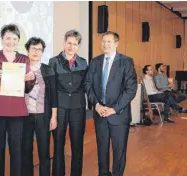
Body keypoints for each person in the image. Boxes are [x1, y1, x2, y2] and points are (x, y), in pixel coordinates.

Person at [0, 24, 36, 176]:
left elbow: (27, 89)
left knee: (17, 152)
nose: (11, 41)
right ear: (2, 39)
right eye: (8, 38)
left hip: (17, 112)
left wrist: (31, 79)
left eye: (14, 38)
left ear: (18, 40)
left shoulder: (24, 59)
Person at [85, 31, 137, 176]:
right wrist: (97, 105)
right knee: (102, 150)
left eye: (109, 42)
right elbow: (88, 85)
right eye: (103, 41)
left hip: (119, 115)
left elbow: (131, 89)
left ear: (116, 43)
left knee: (119, 151)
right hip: (100, 114)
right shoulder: (95, 62)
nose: (105, 44)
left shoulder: (126, 61)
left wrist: (114, 109)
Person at [48, 30, 88, 176]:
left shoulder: (83, 62)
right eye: (69, 43)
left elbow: (86, 85)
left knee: (77, 145)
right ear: (64, 43)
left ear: (78, 46)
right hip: (59, 108)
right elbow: (51, 87)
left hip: (78, 107)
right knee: (58, 144)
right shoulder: (53, 61)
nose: (71, 46)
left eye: (75, 44)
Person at [21, 37, 57, 176]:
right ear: (27, 50)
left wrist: (53, 117)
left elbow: (53, 96)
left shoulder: (48, 70)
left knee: (44, 150)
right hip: (24, 116)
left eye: (39, 49)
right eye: (33, 48)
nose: (36, 52)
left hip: (43, 115)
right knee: (26, 150)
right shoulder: (21, 68)